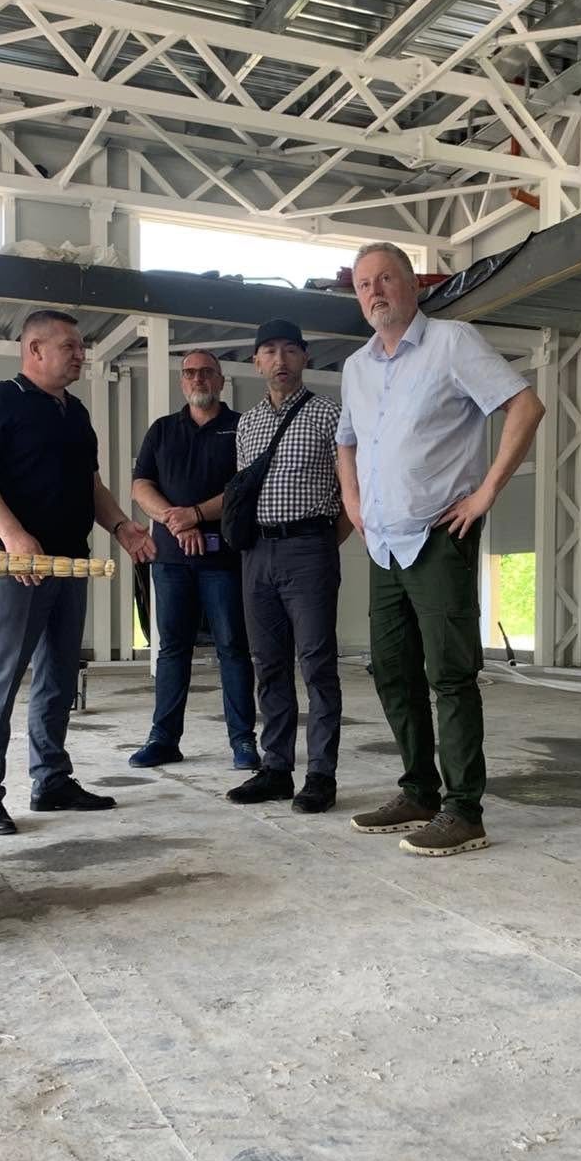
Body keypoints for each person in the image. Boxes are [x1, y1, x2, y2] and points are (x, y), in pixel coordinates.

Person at [337, 242, 545, 857]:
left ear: (413, 285)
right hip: (384, 547)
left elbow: (525, 405)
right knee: (392, 672)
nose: (375, 292)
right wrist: (353, 503)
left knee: (449, 675)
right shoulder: (356, 367)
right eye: (364, 284)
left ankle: (463, 810)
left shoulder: (453, 343)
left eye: (386, 279)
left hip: (437, 538)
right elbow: (346, 440)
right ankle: (419, 792)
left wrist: (485, 493)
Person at [0, 309, 156, 836]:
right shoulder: (0, 399)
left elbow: (91, 486)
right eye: (70, 346)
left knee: (59, 677)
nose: (81, 354)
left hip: (68, 564)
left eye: (81, 346)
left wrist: (122, 527)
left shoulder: (76, 412)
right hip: (14, 565)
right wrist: (13, 537)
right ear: (35, 350)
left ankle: (51, 780)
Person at [226, 319, 351, 815]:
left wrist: (321, 544)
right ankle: (276, 769)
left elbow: (351, 490)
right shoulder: (248, 423)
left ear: (305, 358)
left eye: (290, 350)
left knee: (317, 664)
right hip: (257, 553)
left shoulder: (329, 414)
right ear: (256, 362)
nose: (280, 360)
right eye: (270, 351)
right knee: (268, 664)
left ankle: (321, 775)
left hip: (309, 548)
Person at [128, 349, 258, 771]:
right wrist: (176, 520)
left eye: (206, 372)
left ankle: (243, 741)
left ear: (220, 380)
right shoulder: (162, 430)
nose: (198, 379)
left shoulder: (242, 428)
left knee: (232, 648)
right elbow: (140, 486)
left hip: (224, 561)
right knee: (171, 649)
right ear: (182, 382)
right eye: (189, 373)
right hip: (170, 561)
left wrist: (197, 515)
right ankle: (163, 739)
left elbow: (244, 487)